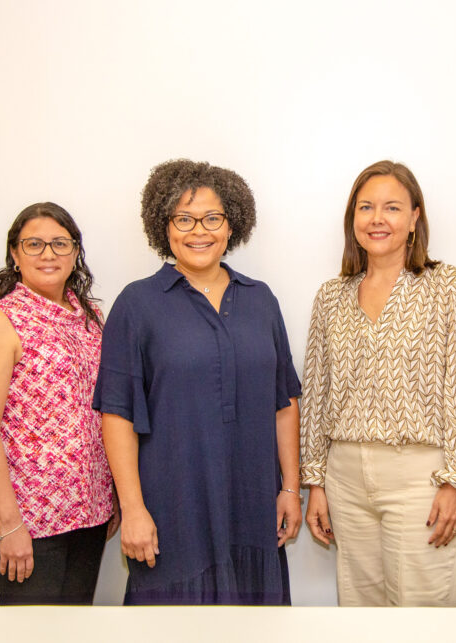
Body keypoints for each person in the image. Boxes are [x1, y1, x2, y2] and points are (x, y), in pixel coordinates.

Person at [94, 159, 301, 605]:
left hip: (252, 504)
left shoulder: (260, 299)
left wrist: (290, 487)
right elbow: (117, 414)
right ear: (163, 227)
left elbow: (283, 402)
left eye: (212, 218)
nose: (198, 231)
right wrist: (132, 509)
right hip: (174, 510)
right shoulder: (137, 304)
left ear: (232, 226)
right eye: (183, 219)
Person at [300, 160, 456, 607]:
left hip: (422, 477)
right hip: (345, 477)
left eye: (392, 208)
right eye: (365, 208)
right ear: (353, 220)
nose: (377, 219)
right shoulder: (331, 296)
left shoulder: (450, 286)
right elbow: (316, 393)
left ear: (415, 218)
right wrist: (317, 483)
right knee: (360, 615)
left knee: (424, 617)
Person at [0, 202, 115, 605]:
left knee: (76, 626)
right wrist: (10, 524)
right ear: (15, 253)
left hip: (90, 511)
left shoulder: (91, 316)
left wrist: (112, 495)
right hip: (29, 519)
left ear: (76, 252)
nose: (48, 254)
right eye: (34, 244)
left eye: (60, 244)